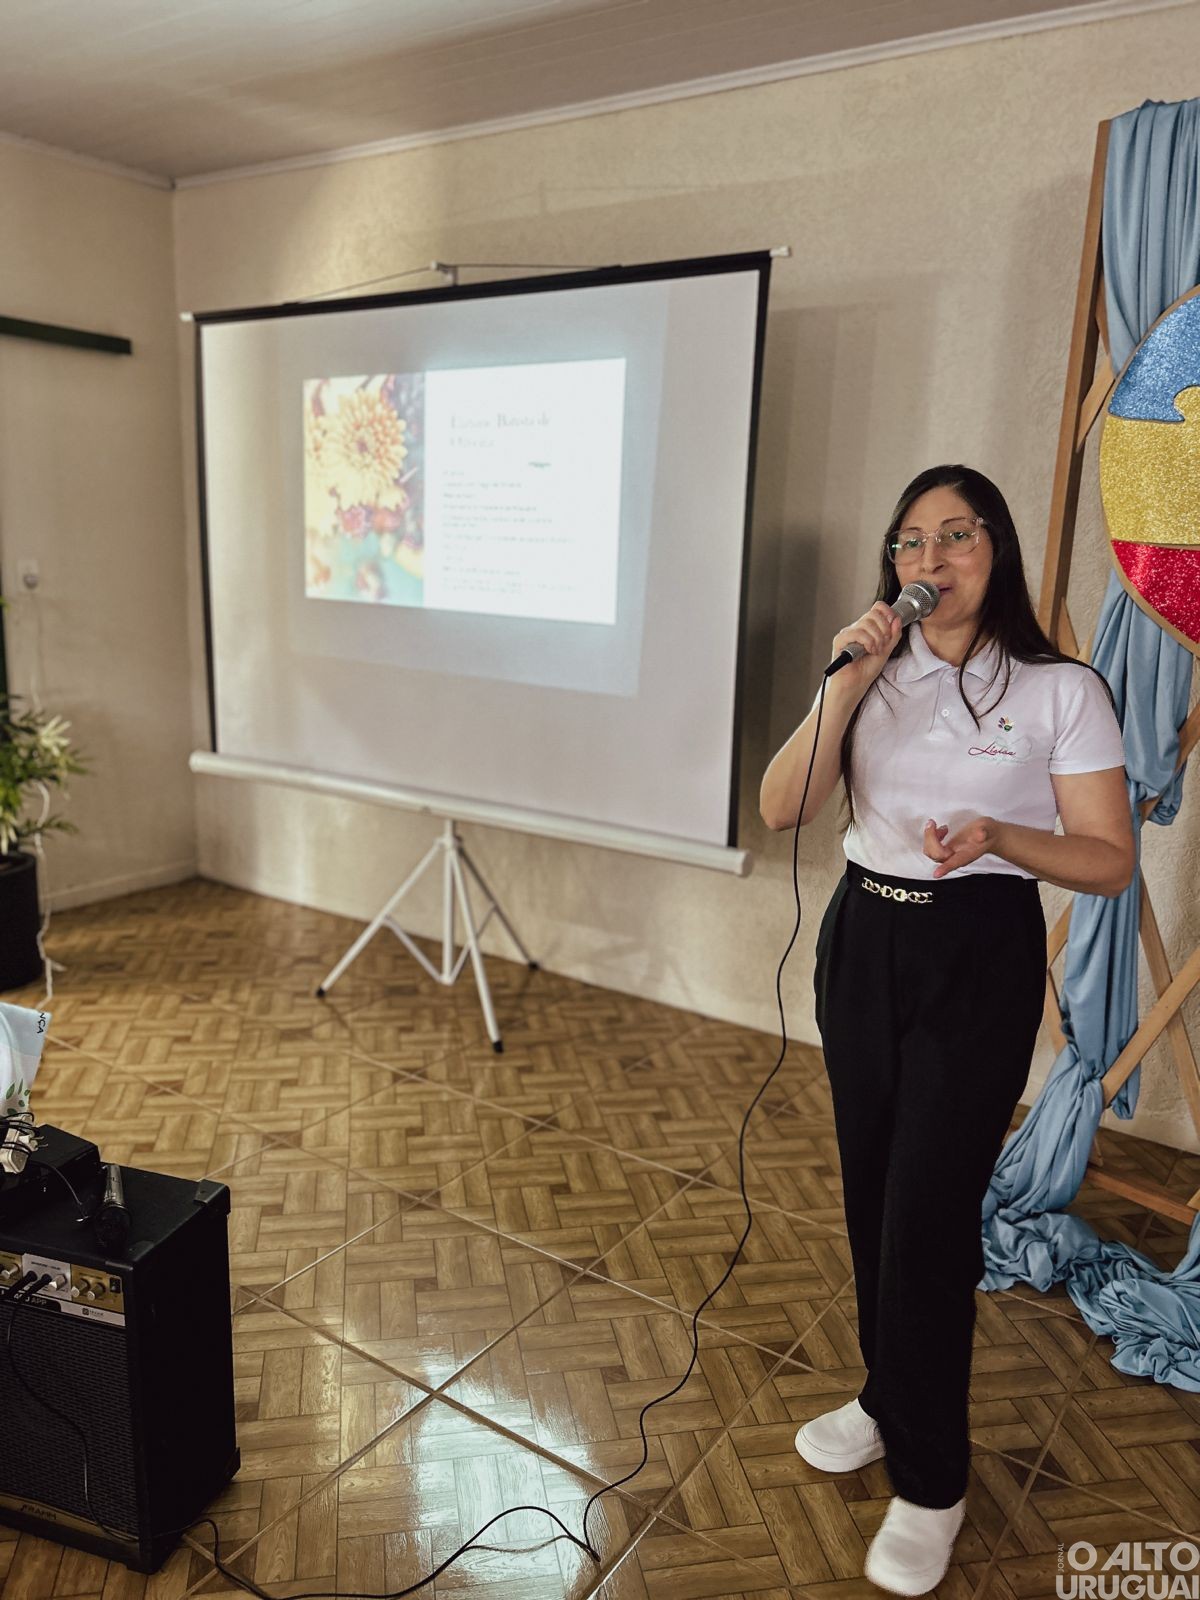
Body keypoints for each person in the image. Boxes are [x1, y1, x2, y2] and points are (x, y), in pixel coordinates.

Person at [759, 465, 1133, 1596]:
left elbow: (1108, 859)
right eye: (912, 541)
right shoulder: (870, 671)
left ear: (996, 550)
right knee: (872, 1186)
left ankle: (933, 1481)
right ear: (895, 565)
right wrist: (849, 677)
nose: (933, 559)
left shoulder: (1063, 686)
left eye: (956, 535)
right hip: (862, 941)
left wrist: (1004, 835)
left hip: (977, 947)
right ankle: (886, 1395)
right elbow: (784, 807)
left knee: (928, 1210)